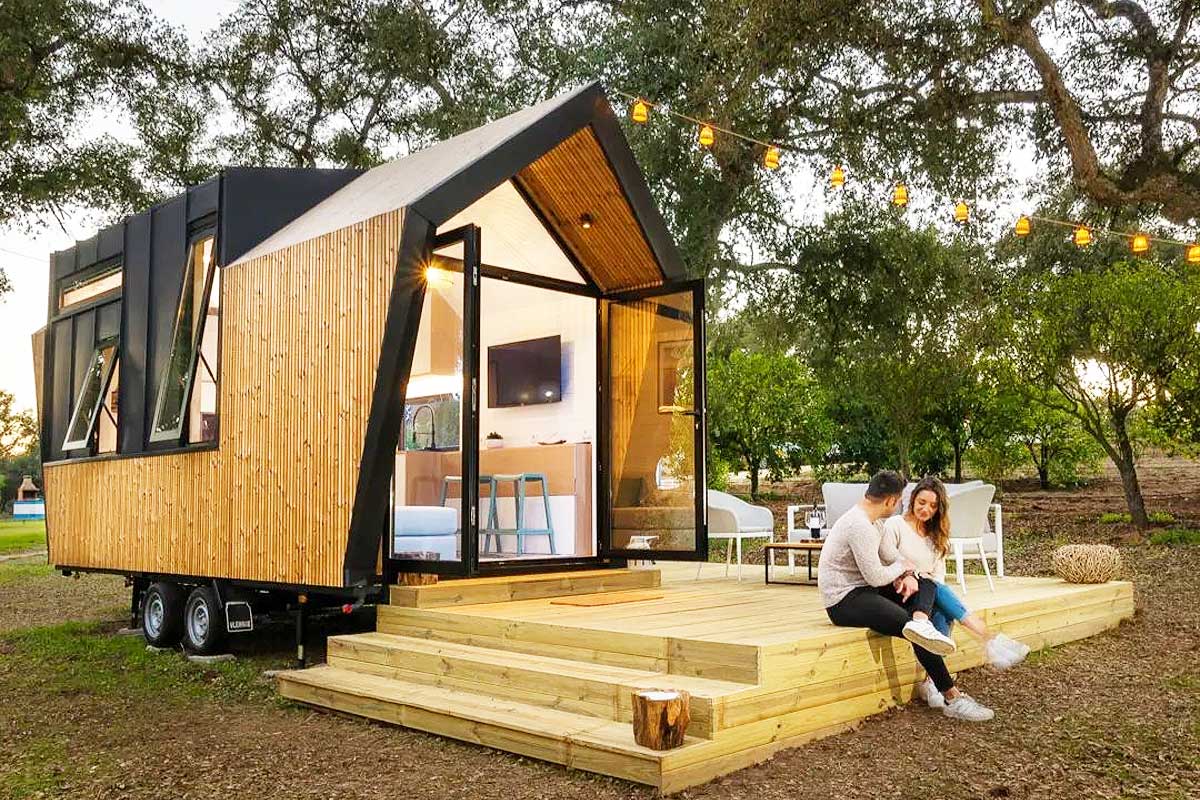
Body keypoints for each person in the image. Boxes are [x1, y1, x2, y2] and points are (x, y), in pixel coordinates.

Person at [818, 469, 995, 721]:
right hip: (844, 600)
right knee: (912, 628)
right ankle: (952, 697)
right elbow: (876, 576)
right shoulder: (858, 525)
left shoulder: (874, 521)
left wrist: (909, 573)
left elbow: (893, 557)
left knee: (928, 583)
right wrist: (903, 569)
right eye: (900, 498)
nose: (902, 503)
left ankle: (923, 620)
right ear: (891, 500)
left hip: (865, 591)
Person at [881, 476, 1030, 708]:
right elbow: (887, 561)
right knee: (938, 593)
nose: (925, 509)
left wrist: (927, 582)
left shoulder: (935, 535)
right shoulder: (895, 526)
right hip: (900, 591)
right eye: (922, 502)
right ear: (912, 499)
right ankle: (988, 639)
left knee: (942, 606)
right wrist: (912, 576)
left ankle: (932, 683)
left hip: (927, 594)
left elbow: (938, 574)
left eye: (932, 506)